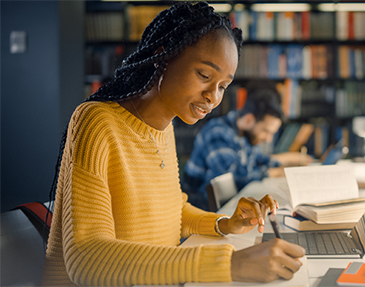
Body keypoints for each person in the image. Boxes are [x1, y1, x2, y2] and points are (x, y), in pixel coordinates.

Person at [42, 2, 304, 286]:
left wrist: (224, 223)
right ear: (162, 57)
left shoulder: (164, 127)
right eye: (204, 76)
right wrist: (229, 265)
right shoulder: (96, 122)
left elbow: (172, 211)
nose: (213, 97)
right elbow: (86, 258)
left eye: (222, 86)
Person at [183, 84, 313, 210]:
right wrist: (275, 173)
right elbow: (232, 178)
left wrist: (287, 160)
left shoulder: (244, 133)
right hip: (200, 208)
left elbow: (256, 159)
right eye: (266, 131)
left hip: (228, 205)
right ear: (249, 120)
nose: (268, 139)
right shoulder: (217, 133)